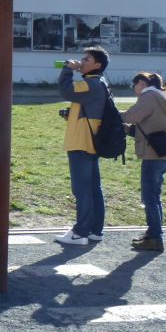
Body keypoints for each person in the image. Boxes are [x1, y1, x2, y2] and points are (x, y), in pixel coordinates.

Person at [56, 46, 110, 246]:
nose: (82, 61)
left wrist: (67, 70)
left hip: (81, 142)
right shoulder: (99, 83)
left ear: (97, 64)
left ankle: (80, 233)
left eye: (87, 59)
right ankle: (95, 230)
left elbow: (66, 90)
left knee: (82, 189)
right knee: (94, 187)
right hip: (90, 141)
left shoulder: (91, 84)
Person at [122, 72, 166, 252]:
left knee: (149, 198)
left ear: (142, 83)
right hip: (162, 155)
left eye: (134, 85)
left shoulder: (148, 97)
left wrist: (112, 114)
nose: (134, 90)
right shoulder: (161, 98)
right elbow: (145, 127)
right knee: (155, 198)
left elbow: (130, 116)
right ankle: (153, 233)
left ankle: (155, 238)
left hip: (152, 156)